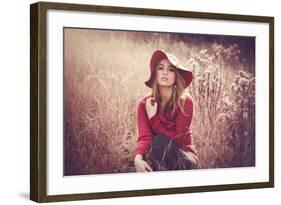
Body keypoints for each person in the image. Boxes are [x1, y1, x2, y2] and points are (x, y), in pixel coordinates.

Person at [134, 49, 198, 172]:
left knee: (159, 141)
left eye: (171, 69)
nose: (165, 73)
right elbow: (145, 137)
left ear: (176, 76)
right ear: (155, 73)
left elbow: (178, 140)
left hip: (185, 156)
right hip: (157, 156)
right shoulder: (144, 104)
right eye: (161, 68)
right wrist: (137, 159)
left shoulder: (185, 101)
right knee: (153, 149)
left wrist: (153, 119)